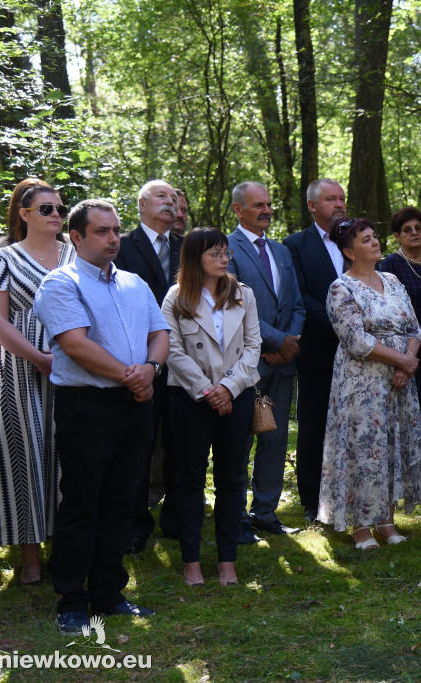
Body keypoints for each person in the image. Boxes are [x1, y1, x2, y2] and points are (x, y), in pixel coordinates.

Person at [34, 199, 170, 633]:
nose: (113, 238)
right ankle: (72, 600)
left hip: (136, 406)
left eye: (115, 230)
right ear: (76, 237)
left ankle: (108, 594)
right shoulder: (60, 283)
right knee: (81, 503)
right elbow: (74, 344)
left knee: (121, 503)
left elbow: (160, 332)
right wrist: (133, 377)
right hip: (87, 407)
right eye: (101, 232)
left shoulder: (134, 283)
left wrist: (150, 370)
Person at [0, 182, 75, 585]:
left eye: (60, 208)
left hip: (75, 363)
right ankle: (30, 554)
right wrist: (37, 357)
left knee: (67, 452)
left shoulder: (75, 252)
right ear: (24, 213)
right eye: (47, 209)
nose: (56, 215)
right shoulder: (2, 259)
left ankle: (67, 547)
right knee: (25, 453)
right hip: (20, 368)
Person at [162, 228, 261, 587]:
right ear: (194, 258)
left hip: (236, 396)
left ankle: (227, 561)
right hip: (190, 398)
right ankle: (191, 562)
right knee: (189, 479)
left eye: (226, 254)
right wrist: (207, 390)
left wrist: (228, 388)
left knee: (232, 478)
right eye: (215, 254)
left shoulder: (242, 295)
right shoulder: (175, 297)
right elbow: (170, 350)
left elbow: (254, 347)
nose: (223, 260)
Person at [318, 218, 421, 548]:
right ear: (350, 251)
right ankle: (361, 526)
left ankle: (387, 521)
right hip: (363, 383)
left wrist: (408, 362)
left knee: (393, 445)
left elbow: (414, 329)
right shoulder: (341, 288)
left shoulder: (392, 279)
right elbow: (356, 341)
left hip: (399, 381)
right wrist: (401, 360)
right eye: (366, 240)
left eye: (375, 237)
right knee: (366, 448)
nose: (375, 243)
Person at [227, 182, 305, 540]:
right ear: (237, 210)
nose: (267, 210)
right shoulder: (226, 247)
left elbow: (298, 304)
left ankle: (266, 513)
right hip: (247, 363)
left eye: (269, 204)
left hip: (281, 364)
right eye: (258, 205)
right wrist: (275, 342)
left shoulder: (282, 250)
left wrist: (288, 343)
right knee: (241, 440)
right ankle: (236, 516)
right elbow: (233, 305)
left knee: (274, 439)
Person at [114, 179, 184, 552]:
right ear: (141, 204)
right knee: (139, 446)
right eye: (162, 197)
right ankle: (135, 524)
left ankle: (176, 519)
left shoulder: (187, 248)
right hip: (138, 361)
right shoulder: (122, 246)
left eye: (174, 199)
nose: (170, 203)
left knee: (178, 443)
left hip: (184, 362)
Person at [283, 178, 346, 522]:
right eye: (331, 199)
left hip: (360, 353)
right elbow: (300, 294)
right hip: (319, 349)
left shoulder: (356, 239)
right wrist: (341, 325)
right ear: (312, 205)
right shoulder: (295, 245)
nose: (339, 204)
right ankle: (311, 498)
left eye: (342, 198)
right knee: (313, 425)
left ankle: (349, 491)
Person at [380, 207, 421, 485]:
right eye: (407, 229)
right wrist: (416, 338)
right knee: (399, 409)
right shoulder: (389, 265)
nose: (414, 232)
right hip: (402, 348)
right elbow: (388, 307)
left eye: (418, 227)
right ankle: (399, 473)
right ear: (397, 236)